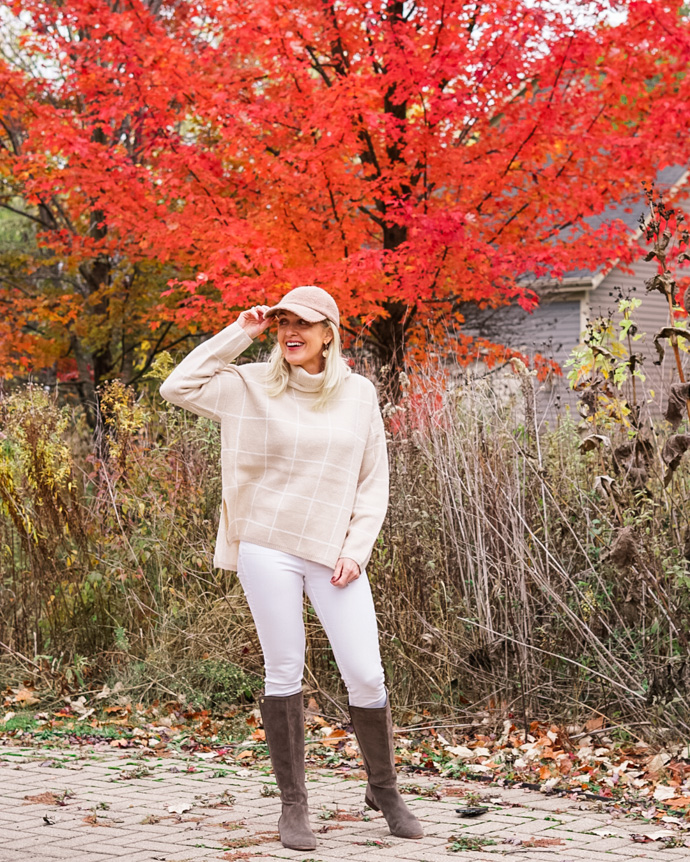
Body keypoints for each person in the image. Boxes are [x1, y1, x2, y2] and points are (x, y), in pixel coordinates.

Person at [159, 285, 423, 850]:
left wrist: (357, 548)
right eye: (282, 323)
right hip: (267, 544)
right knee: (284, 669)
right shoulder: (251, 384)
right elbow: (176, 385)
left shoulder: (358, 394)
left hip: (334, 551)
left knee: (366, 672)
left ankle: (384, 788)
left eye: (303, 322)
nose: (290, 331)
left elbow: (373, 481)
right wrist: (241, 332)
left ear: (329, 331)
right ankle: (294, 806)